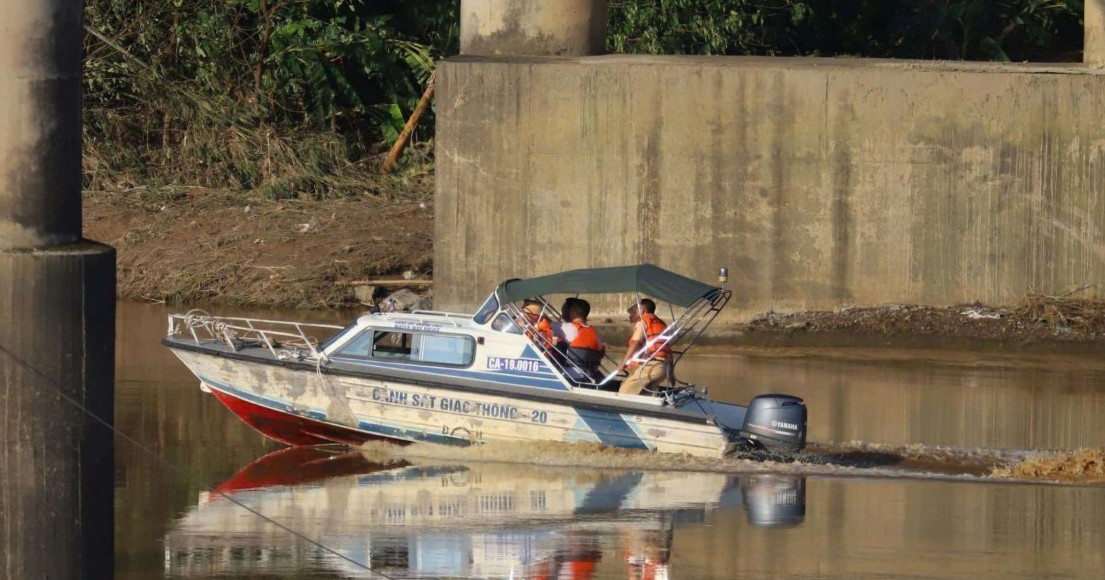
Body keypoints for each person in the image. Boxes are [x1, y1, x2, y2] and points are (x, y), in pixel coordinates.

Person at [616, 298, 672, 395]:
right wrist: (671, 372)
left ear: (642, 310)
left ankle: (621, 408)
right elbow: (667, 349)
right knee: (645, 394)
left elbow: (635, 343)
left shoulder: (643, 321)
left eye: (636, 310)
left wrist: (624, 362)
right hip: (664, 367)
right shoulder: (661, 323)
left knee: (625, 390)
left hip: (653, 366)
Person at [563, 299, 605, 381]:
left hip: (570, 377)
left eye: (567, 309)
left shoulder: (568, 328)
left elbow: (542, 324)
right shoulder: (595, 333)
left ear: (574, 311)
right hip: (589, 376)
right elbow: (601, 353)